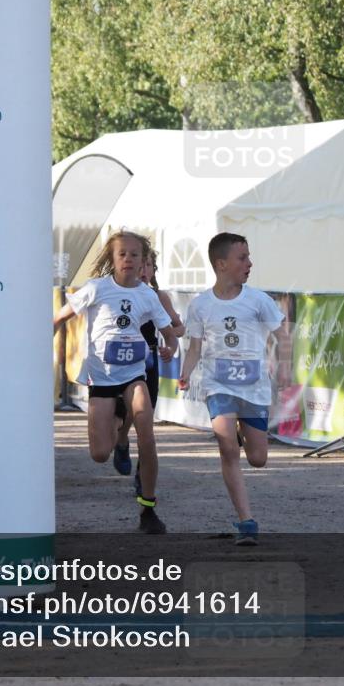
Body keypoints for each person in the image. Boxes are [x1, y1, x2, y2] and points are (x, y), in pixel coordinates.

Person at [53, 231, 179, 534]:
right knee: (99, 453)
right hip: (102, 378)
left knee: (147, 435)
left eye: (135, 254)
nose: (128, 259)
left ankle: (148, 508)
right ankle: (116, 432)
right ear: (112, 259)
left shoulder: (148, 295)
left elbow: (170, 332)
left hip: (135, 374)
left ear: (143, 261)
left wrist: (169, 348)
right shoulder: (96, 289)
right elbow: (58, 319)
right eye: (122, 254)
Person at [178, 233, 285, 545]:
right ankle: (246, 521)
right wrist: (186, 371)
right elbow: (195, 347)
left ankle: (240, 430)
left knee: (258, 458)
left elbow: (283, 334)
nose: (249, 264)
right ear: (221, 264)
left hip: (253, 388)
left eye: (249, 258)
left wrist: (286, 367)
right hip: (218, 383)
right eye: (243, 258)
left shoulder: (258, 300)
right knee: (227, 448)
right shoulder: (200, 305)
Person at [112, 249, 185, 494]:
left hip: (148, 360)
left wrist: (170, 341)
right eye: (140, 265)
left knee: (145, 418)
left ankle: (142, 477)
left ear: (154, 271)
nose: (143, 271)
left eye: (149, 266)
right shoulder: (114, 291)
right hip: (117, 359)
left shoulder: (157, 296)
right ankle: (121, 440)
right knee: (121, 415)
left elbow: (178, 327)